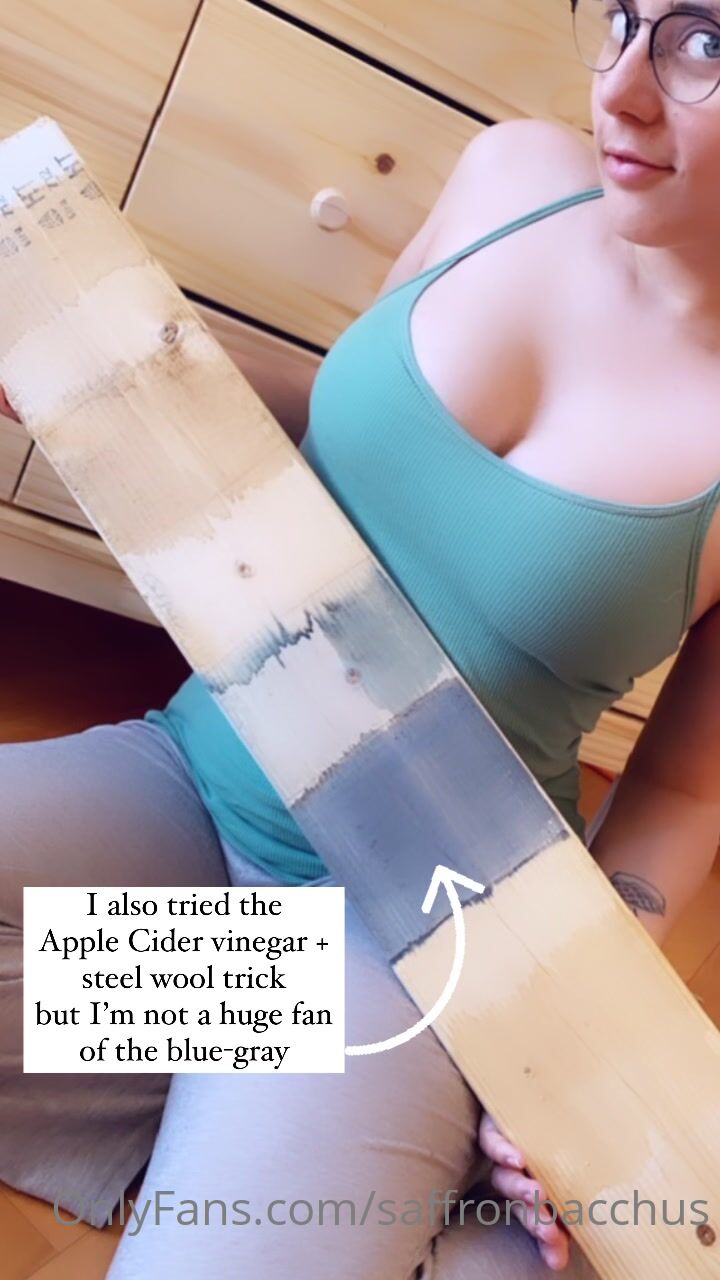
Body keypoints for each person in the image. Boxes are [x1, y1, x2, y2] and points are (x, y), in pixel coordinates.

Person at [1, 0, 719, 1274]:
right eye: (618, 17)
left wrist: (561, 1057)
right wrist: (100, 370)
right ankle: (289, 1105)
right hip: (196, 773)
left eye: (703, 41)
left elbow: (683, 791)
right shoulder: (512, 170)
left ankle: (338, 1116)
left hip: (416, 936)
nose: (620, 86)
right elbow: (333, 440)